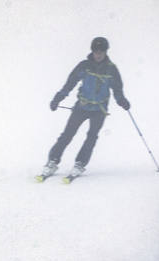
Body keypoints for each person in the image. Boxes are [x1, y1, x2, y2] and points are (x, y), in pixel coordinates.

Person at [38, 36, 131, 180]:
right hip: (82, 106)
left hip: (99, 110)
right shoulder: (84, 66)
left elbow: (117, 89)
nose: (98, 54)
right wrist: (58, 98)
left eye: (101, 51)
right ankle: (53, 161)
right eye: (96, 51)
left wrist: (122, 101)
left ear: (106, 52)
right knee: (67, 134)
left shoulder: (111, 70)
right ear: (92, 51)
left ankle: (80, 163)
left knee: (91, 137)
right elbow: (70, 83)